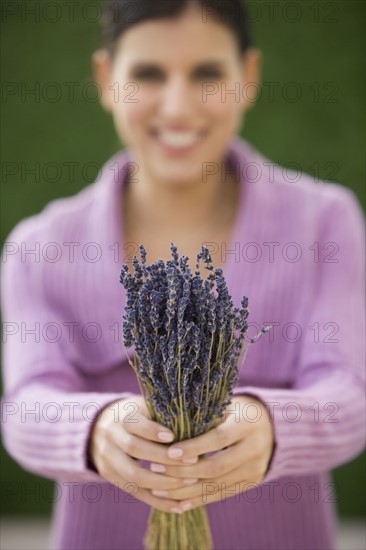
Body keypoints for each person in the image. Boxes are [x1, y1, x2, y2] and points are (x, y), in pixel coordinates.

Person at [1, 1, 365, 549]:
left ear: (248, 77)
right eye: (147, 74)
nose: (177, 106)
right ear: (106, 79)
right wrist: (98, 430)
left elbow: (349, 393)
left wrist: (271, 426)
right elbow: (26, 405)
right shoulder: (39, 249)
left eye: (207, 74)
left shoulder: (322, 223)